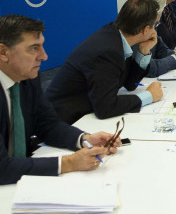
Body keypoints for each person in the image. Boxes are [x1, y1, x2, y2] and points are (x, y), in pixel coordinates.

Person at [0, 15, 122, 184]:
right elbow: (2, 168)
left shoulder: (28, 77)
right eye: (33, 48)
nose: (44, 56)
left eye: (42, 46)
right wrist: (69, 162)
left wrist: (84, 139)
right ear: (3, 52)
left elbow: (47, 124)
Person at [45, 0, 164, 124]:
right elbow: (105, 107)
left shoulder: (117, 36)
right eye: (154, 25)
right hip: (63, 122)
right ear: (145, 30)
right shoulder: (108, 51)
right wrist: (148, 96)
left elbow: (130, 84)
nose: (154, 30)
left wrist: (143, 51)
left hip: (83, 115)